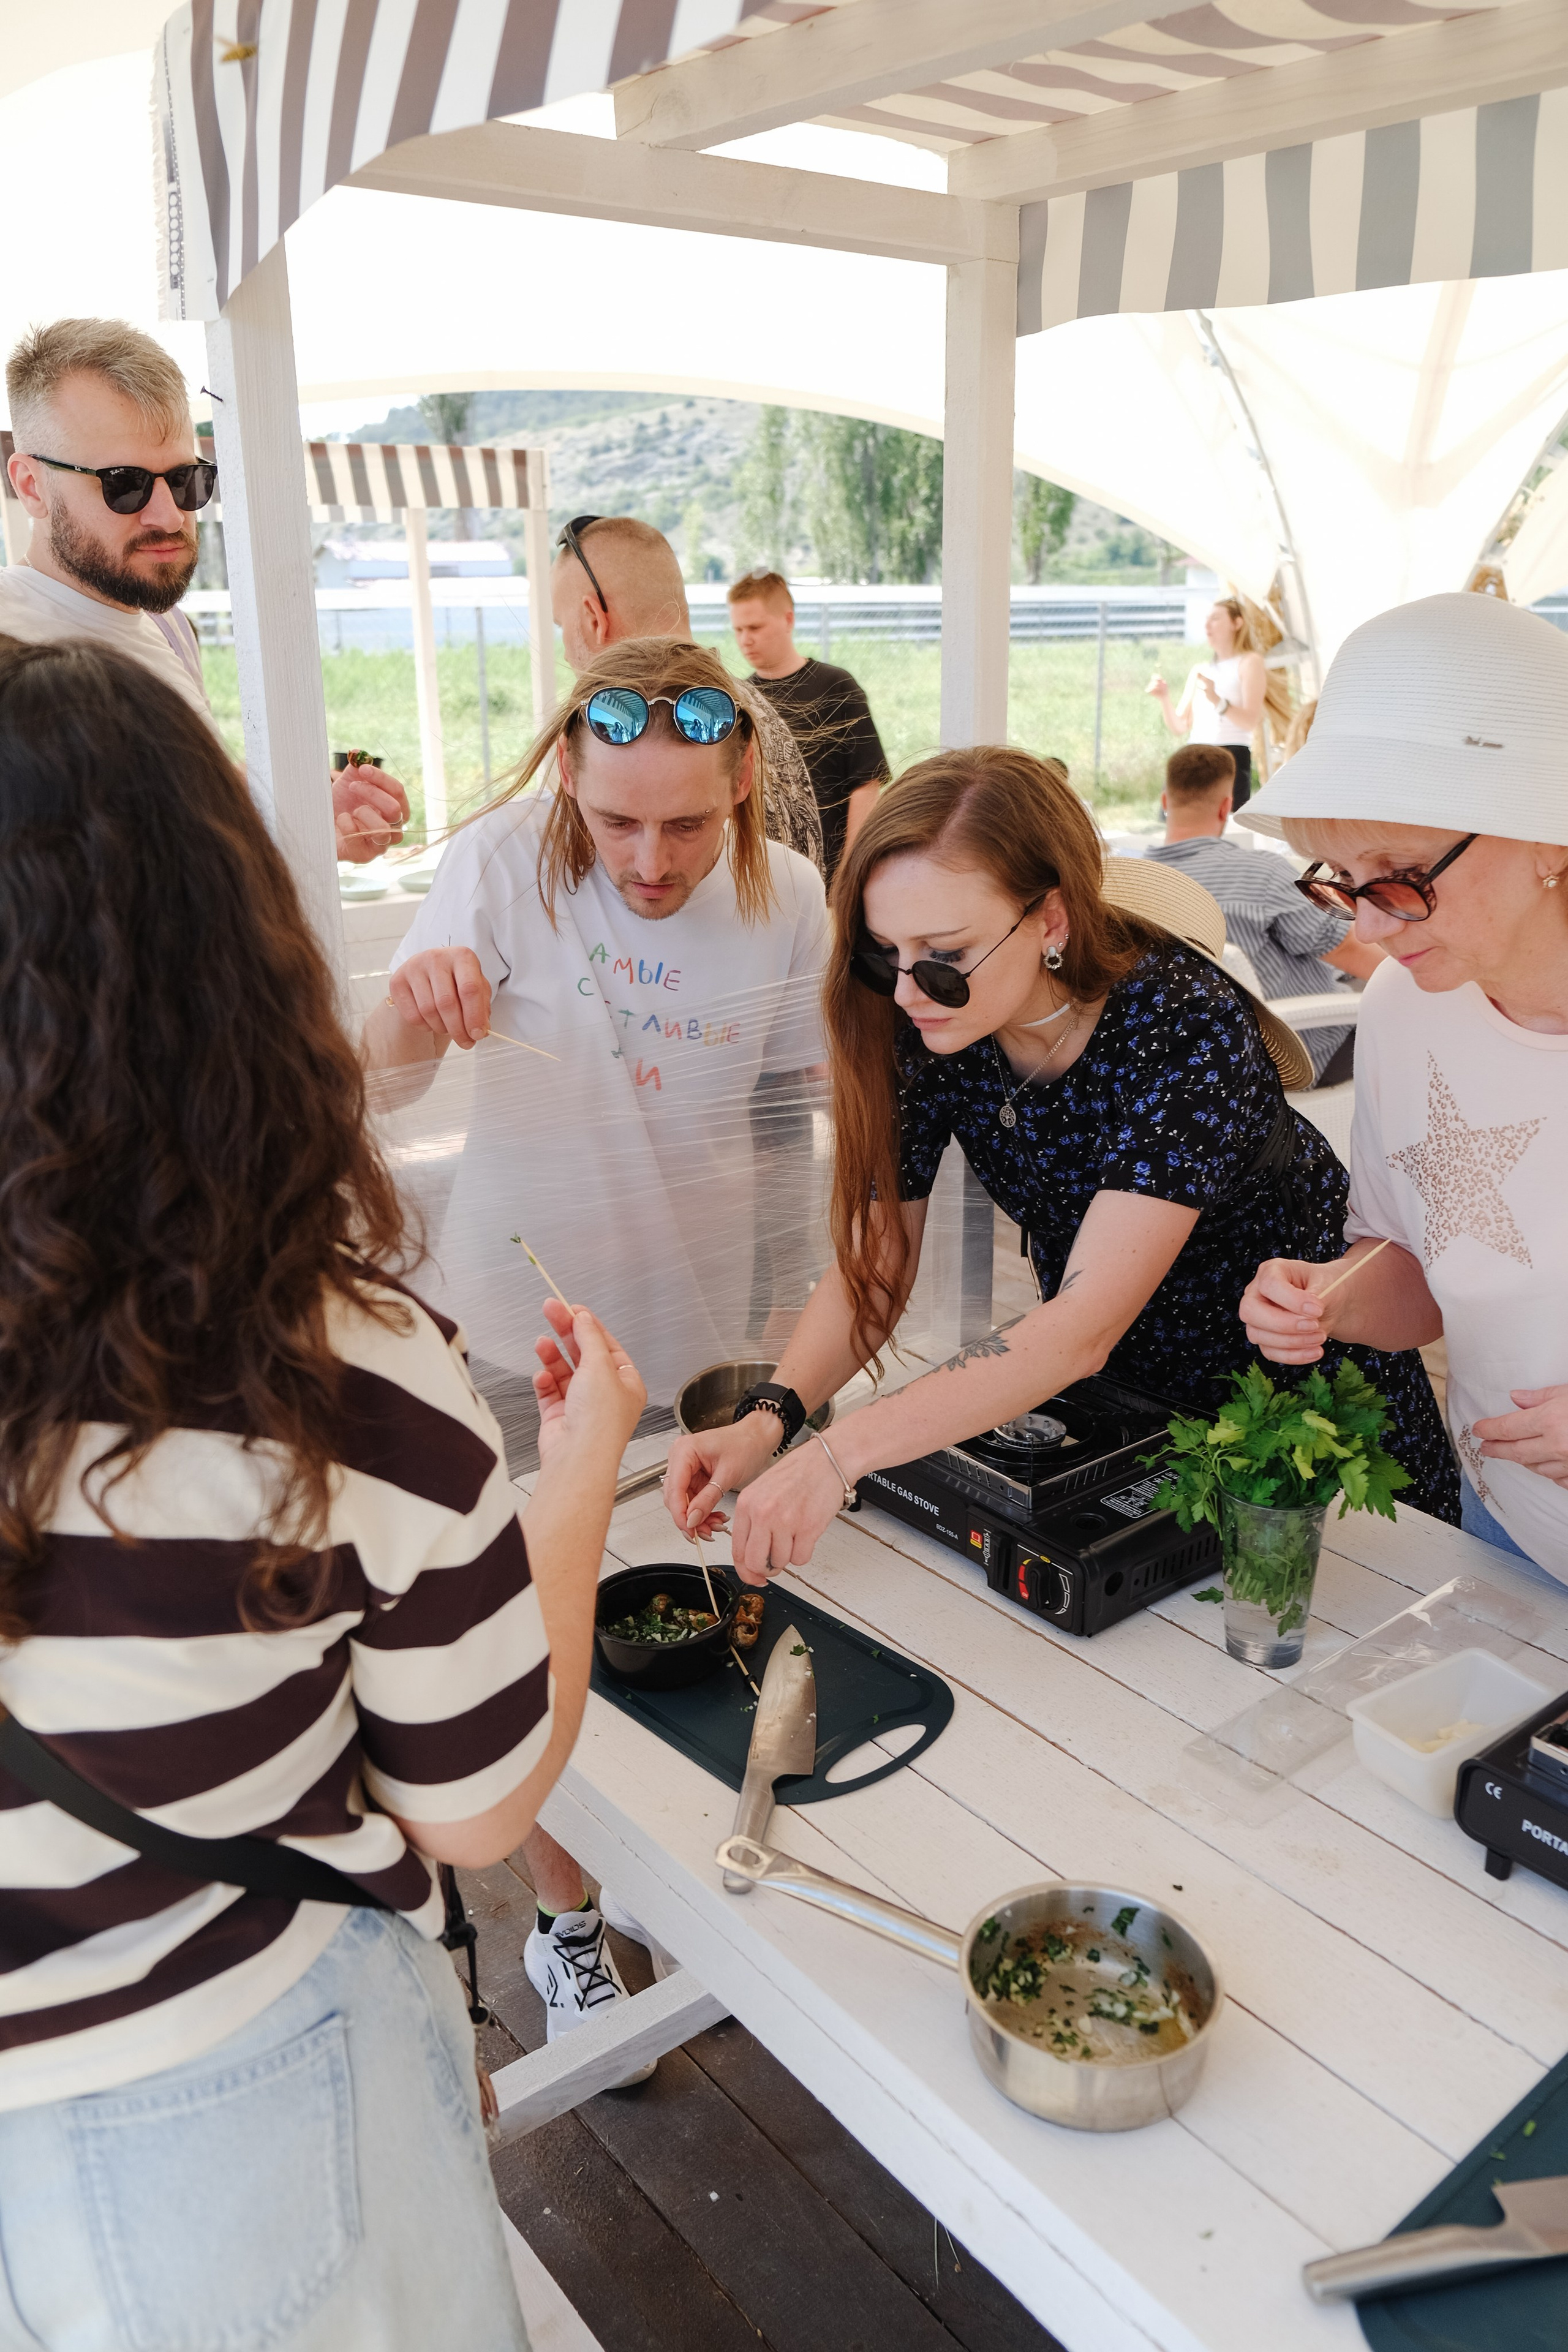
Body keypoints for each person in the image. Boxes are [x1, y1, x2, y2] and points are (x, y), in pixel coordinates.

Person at [0, 634, 646, 2348]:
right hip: (223, 2108)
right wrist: (575, 1474)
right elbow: (482, 1811)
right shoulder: (329, 1363)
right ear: (231, 948)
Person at [662, 747, 1457, 1581]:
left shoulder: (1182, 1027)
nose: (905, 990)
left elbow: (1081, 1326)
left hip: (1304, 1424)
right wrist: (769, 1417)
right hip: (1131, 1424)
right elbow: (877, 1264)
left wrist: (838, 1455)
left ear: (1052, 919)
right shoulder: (930, 1021)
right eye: (881, 952)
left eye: (942, 953)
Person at [364, 635, 829, 2051]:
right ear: (566, 769)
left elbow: (805, 1126)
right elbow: (377, 1078)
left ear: (744, 778)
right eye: (617, 817)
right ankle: (565, 1923)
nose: (648, 854)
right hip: (519, 1330)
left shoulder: (791, 895)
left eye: (688, 820)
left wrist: (783, 1343)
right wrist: (414, 1005)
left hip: (695, 1337)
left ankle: (655, 1879)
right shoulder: (504, 860)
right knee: (526, 1638)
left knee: (671, 1627)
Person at [1238, 592, 1568, 1585]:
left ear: (1552, 833)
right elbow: (1421, 1265)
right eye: (1341, 877)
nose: (1371, 928)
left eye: (1403, 874)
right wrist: (1329, 1300)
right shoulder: (1404, 1008)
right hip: (1509, 1524)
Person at [2, 317, 409, 863]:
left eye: (185, 479)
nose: (169, 515)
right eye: (125, 485)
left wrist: (305, 816)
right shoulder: (11, 646)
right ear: (31, 486)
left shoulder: (166, 627)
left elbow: (182, 802)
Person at [551, 513, 824, 873]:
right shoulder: (746, 710)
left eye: (562, 626)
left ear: (593, 619)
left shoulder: (605, 734)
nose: (567, 653)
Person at [1145, 742, 1383, 1087]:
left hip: (1201, 1065)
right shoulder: (1262, 874)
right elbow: (1356, 955)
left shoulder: (1131, 885)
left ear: (1166, 801)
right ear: (1227, 806)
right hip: (1303, 1054)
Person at [727, 568, 888, 883]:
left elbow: (866, 785)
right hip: (765, 880)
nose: (746, 640)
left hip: (830, 879)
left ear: (788, 620)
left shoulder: (837, 688)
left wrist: (849, 874)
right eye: (738, 630)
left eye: (756, 627)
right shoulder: (738, 700)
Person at [1147, 595, 1268, 810]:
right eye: (1206, 620)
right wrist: (1164, 698)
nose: (1207, 625)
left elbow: (1250, 721)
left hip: (1231, 755)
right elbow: (1180, 727)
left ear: (1237, 623)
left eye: (1215, 619)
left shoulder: (1250, 663)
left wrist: (1217, 700)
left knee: (1225, 822)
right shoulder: (1200, 669)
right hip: (1196, 751)